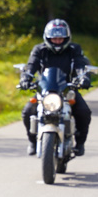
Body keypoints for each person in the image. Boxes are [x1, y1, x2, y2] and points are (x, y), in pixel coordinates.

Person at [18, 19, 92, 156]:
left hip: (68, 90)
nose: (57, 41)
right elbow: (31, 65)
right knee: (28, 111)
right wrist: (25, 78)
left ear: (67, 38)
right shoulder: (39, 49)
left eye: (60, 38)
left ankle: (80, 143)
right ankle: (33, 141)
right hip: (45, 91)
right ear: (47, 38)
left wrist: (84, 77)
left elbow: (80, 65)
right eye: (54, 38)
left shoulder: (74, 49)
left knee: (84, 111)